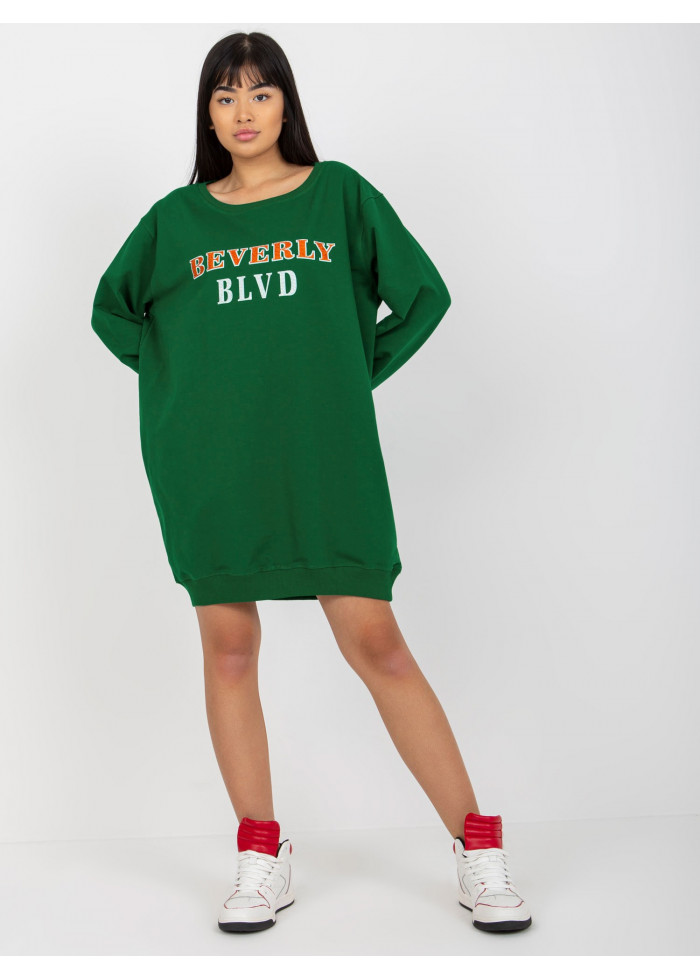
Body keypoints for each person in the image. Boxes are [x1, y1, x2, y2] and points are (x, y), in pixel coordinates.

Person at [91, 30, 533, 935]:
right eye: (224, 95)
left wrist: (349, 374)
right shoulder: (176, 220)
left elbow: (423, 296)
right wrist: (188, 388)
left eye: (259, 92)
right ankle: (262, 853)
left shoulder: (341, 195)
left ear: (286, 103)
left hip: (328, 457)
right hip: (211, 465)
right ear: (206, 113)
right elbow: (112, 311)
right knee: (228, 647)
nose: (242, 111)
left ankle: (477, 846)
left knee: (377, 640)